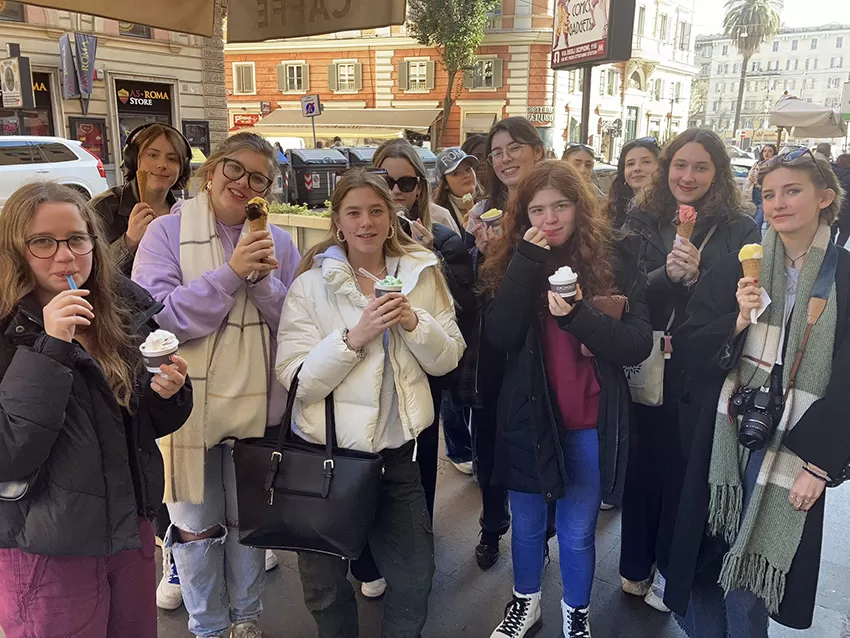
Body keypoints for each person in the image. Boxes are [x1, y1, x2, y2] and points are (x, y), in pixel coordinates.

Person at [664, 149, 850, 637]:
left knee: (750, 580)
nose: (778, 203)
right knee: (706, 556)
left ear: (824, 197)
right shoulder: (737, 266)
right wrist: (738, 321)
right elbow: (688, 344)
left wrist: (821, 465)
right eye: (769, 194)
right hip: (723, 433)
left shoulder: (844, 278)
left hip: (796, 445)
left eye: (792, 191)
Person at [275, 169, 465, 638]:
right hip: (325, 456)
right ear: (338, 221)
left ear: (391, 215)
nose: (366, 222)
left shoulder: (421, 272)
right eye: (354, 212)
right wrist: (354, 337)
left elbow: (448, 358)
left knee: (415, 576)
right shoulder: (310, 286)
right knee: (324, 584)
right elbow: (297, 380)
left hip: (397, 457)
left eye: (377, 211)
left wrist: (414, 323)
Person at [0, 182, 192, 638]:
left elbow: (138, 427)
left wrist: (168, 394)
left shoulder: (118, 310)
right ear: (14, 250)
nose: (65, 256)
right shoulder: (8, 328)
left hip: (127, 527)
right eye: (43, 242)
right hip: (45, 544)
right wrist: (51, 348)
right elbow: (8, 452)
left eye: (76, 239)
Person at [132, 132, 301, 638]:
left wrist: (263, 285)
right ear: (212, 171)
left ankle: (246, 619)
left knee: (249, 521)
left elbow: (296, 326)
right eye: (235, 169)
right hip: (184, 408)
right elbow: (159, 320)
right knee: (195, 525)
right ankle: (207, 626)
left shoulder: (281, 241)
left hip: (259, 409)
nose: (243, 183)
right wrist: (230, 274)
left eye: (258, 179)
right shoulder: (165, 233)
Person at [480, 160, 652, 638]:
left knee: (577, 532)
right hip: (529, 417)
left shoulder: (618, 258)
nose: (550, 219)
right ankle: (526, 603)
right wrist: (525, 263)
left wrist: (578, 316)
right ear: (523, 215)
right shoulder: (511, 259)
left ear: (580, 207)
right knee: (527, 524)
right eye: (537, 210)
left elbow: (637, 343)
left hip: (591, 419)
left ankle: (576, 612)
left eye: (561, 206)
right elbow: (500, 335)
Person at [619, 128, 761, 614]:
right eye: (680, 165)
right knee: (644, 462)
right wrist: (666, 275)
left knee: (685, 470)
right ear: (666, 168)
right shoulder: (641, 218)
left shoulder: (741, 229)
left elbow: (748, 303)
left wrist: (700, 278)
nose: (688, 176)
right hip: (648, 356)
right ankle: (635, 560)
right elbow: (625, 288)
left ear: (717, 174)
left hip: (703, 365)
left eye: (701, 167)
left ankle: (670, 567)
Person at [353, 137, 474, 596]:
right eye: (387, 179)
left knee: (419, 455)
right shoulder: (359, 226)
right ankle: (365, 549)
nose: (396, 190)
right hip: (366, 367)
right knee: (366, 456)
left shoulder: (438, 225)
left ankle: (413, 536)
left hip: (422, 364)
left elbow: (461, 300)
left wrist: (435, 254)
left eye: (407, 182)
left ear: (420, 187)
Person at [467, 116, 546, 570]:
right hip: (496, 345)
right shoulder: (484, 211)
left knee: (540, 436)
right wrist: (481, 253)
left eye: (514, 147)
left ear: (537, 150)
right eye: (496, 152)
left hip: (544, 340)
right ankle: (493, 524)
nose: (504, 159)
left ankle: (542, 533)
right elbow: (476, 288)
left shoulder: (553, 204)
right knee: (491, 437)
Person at [90, 123, 192, 276]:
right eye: (152, 155)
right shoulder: (103, 208)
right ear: (133, 159)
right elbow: (90, 273)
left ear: (182, 168)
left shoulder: (184, 214)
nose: (162, 165)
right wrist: (129, 241)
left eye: (172, 159)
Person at [607, 137, 661, 229]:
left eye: (646, 162)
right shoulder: (612, 211)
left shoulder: (671, 211)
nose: (637, 168)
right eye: (630, 164)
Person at [433, 146, 482, 231]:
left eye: (468, 169)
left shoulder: (489, 203)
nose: (466, 175)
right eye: (456, 173)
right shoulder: (437, 216)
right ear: (445, 184)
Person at [747, 144, 777, 231]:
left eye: (770, 151)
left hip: (764, 192)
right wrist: (751, 177)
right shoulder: (757, 164)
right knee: (752, 217)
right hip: (753, 192)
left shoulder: (774, 165)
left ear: (774, 153)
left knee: (758, 220)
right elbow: (749, 176)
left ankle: (756, 236)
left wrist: (760, 178)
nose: (767, 153)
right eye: (765, 151)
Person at [833, 154, 850, 245]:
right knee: (845, 232)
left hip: (834, 205)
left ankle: (829, 249)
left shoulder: (832, 174)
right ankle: (839, 248)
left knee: (832, 230)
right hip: (847, 209)